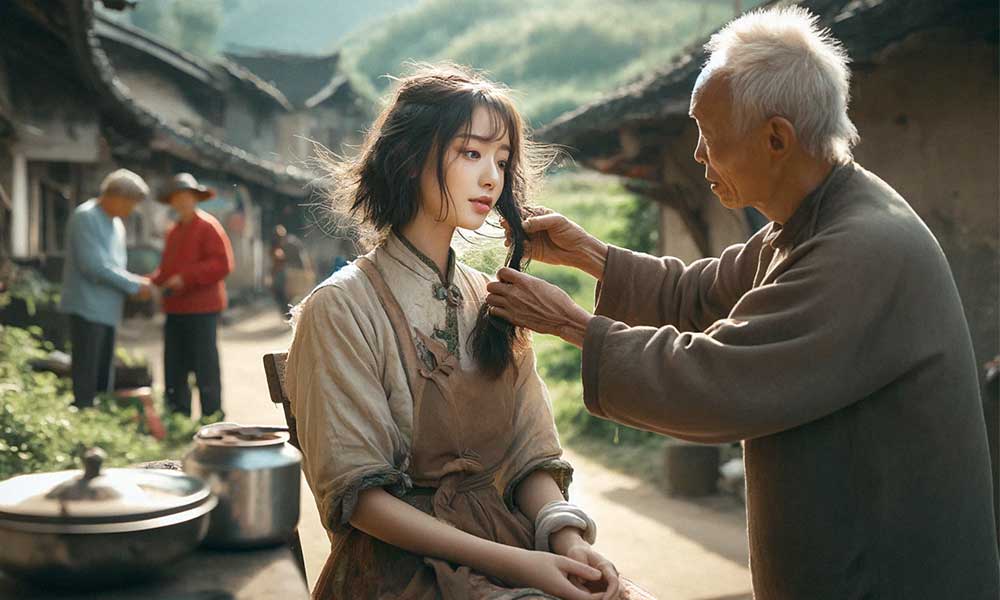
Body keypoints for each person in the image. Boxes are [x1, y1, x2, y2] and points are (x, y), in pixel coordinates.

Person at [484, 7, 1000, 599]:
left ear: (776, 138)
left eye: (708, 133)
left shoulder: (862, 248)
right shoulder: (808, 222)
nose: (698, 155)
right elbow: (700, 294)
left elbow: (717, 375)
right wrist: (592, 255)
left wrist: (569, 322)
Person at [286, 65, 650, 600]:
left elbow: (531, 455)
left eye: (502, 161)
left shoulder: (495, 296)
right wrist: (524, 567)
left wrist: (569, 542)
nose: (492, 178)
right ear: (409, 159)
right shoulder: (341, 308)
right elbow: (362, 499)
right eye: (471, 153)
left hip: (512, 549)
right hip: (400, 572)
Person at [59, 168, 153, 408]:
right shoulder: (86, 216)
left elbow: (115, 266)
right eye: (130, 203)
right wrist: (133, 284)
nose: (131, 210)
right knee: (86, 374)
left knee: (103, 375)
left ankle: (99, 422)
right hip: (86, 307)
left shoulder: (117, 225)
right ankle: (84, 420)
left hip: (109, 310)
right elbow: (93, 265)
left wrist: (134, 284)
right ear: (117, 196)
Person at [151, 173, 234, 420]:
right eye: (177, 197)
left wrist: (185, 278)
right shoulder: (173, 231)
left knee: (205, 366)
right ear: (172, 202)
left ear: (195, 198)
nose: (182, 201)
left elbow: (223, 264)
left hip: (202, 309)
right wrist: (149, 282)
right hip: (175, 308)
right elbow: (166, 271)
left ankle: (212, 418)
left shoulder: (208, 227)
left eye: (186, 196)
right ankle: (178, 417)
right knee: (174, 366)